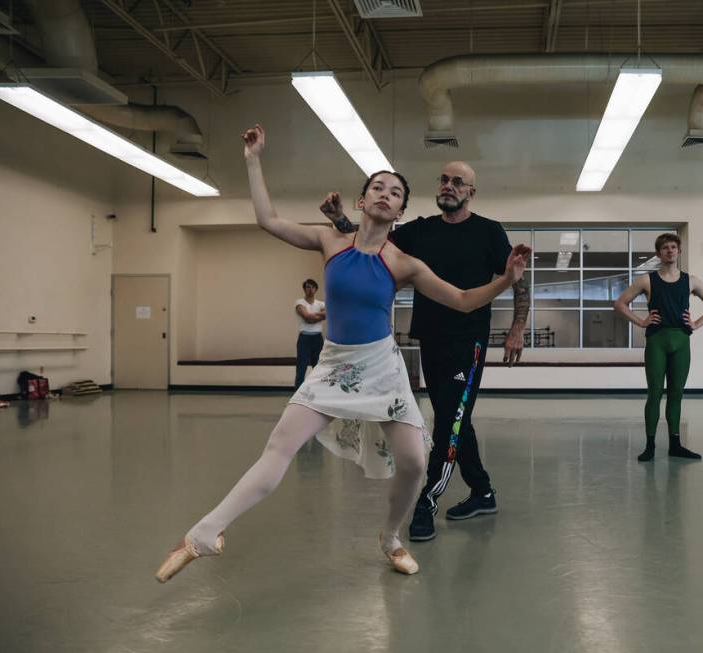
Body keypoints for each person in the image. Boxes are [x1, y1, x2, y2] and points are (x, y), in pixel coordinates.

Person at [154, 125, 530, 582]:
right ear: (362, 201)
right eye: (377, 188)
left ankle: (390, 538)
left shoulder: (402, 261)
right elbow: (268, 221)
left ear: (401, 211)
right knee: (278, 449)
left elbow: (465, 300)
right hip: (333, 367)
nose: (385, 195)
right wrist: (253, 160)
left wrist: (507, 280)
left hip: (382, 370)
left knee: (413, 462)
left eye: (395, 192)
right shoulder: (330, 241)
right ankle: (202, 535)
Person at [321, 161, 530, 543]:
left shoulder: (488, 232)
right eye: (444, 180)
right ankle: (482, 492)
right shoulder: (420, 231)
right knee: (456, 420)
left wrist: (517, 327)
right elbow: (367, 245)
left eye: (458, 182)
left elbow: (516, 281)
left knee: (448, 420)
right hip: (430, 339)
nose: (449, 186)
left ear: (471, 192)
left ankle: (426, 503)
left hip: (469, 341)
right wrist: (339, 220)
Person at [613, 233, 703, 462]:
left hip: (681, 341)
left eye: (673, 247)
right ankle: (650, 445)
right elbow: (620, 303)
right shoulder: (646, 280)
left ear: (679, 252)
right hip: (657, 342)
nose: (670, 251)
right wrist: (641, 321)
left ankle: (675, 445)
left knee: (676, 394)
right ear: (658, 253)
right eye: (665, 248)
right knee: (654, 394)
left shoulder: (691, 281)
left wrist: (696, 324)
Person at [294, 278, 325, 389]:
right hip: (304, 339)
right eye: (307, 287)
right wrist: (319, 315)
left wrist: (312, 316)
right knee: (301, 367)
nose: (310, 289)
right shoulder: (299, 303)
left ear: (316, 289)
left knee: (318, 367)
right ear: (304, 289)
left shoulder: (321, 303)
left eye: (312, 287)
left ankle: (318, 393)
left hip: (318, 339)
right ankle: (297, 395)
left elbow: (327, 315)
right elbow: (307, 318)